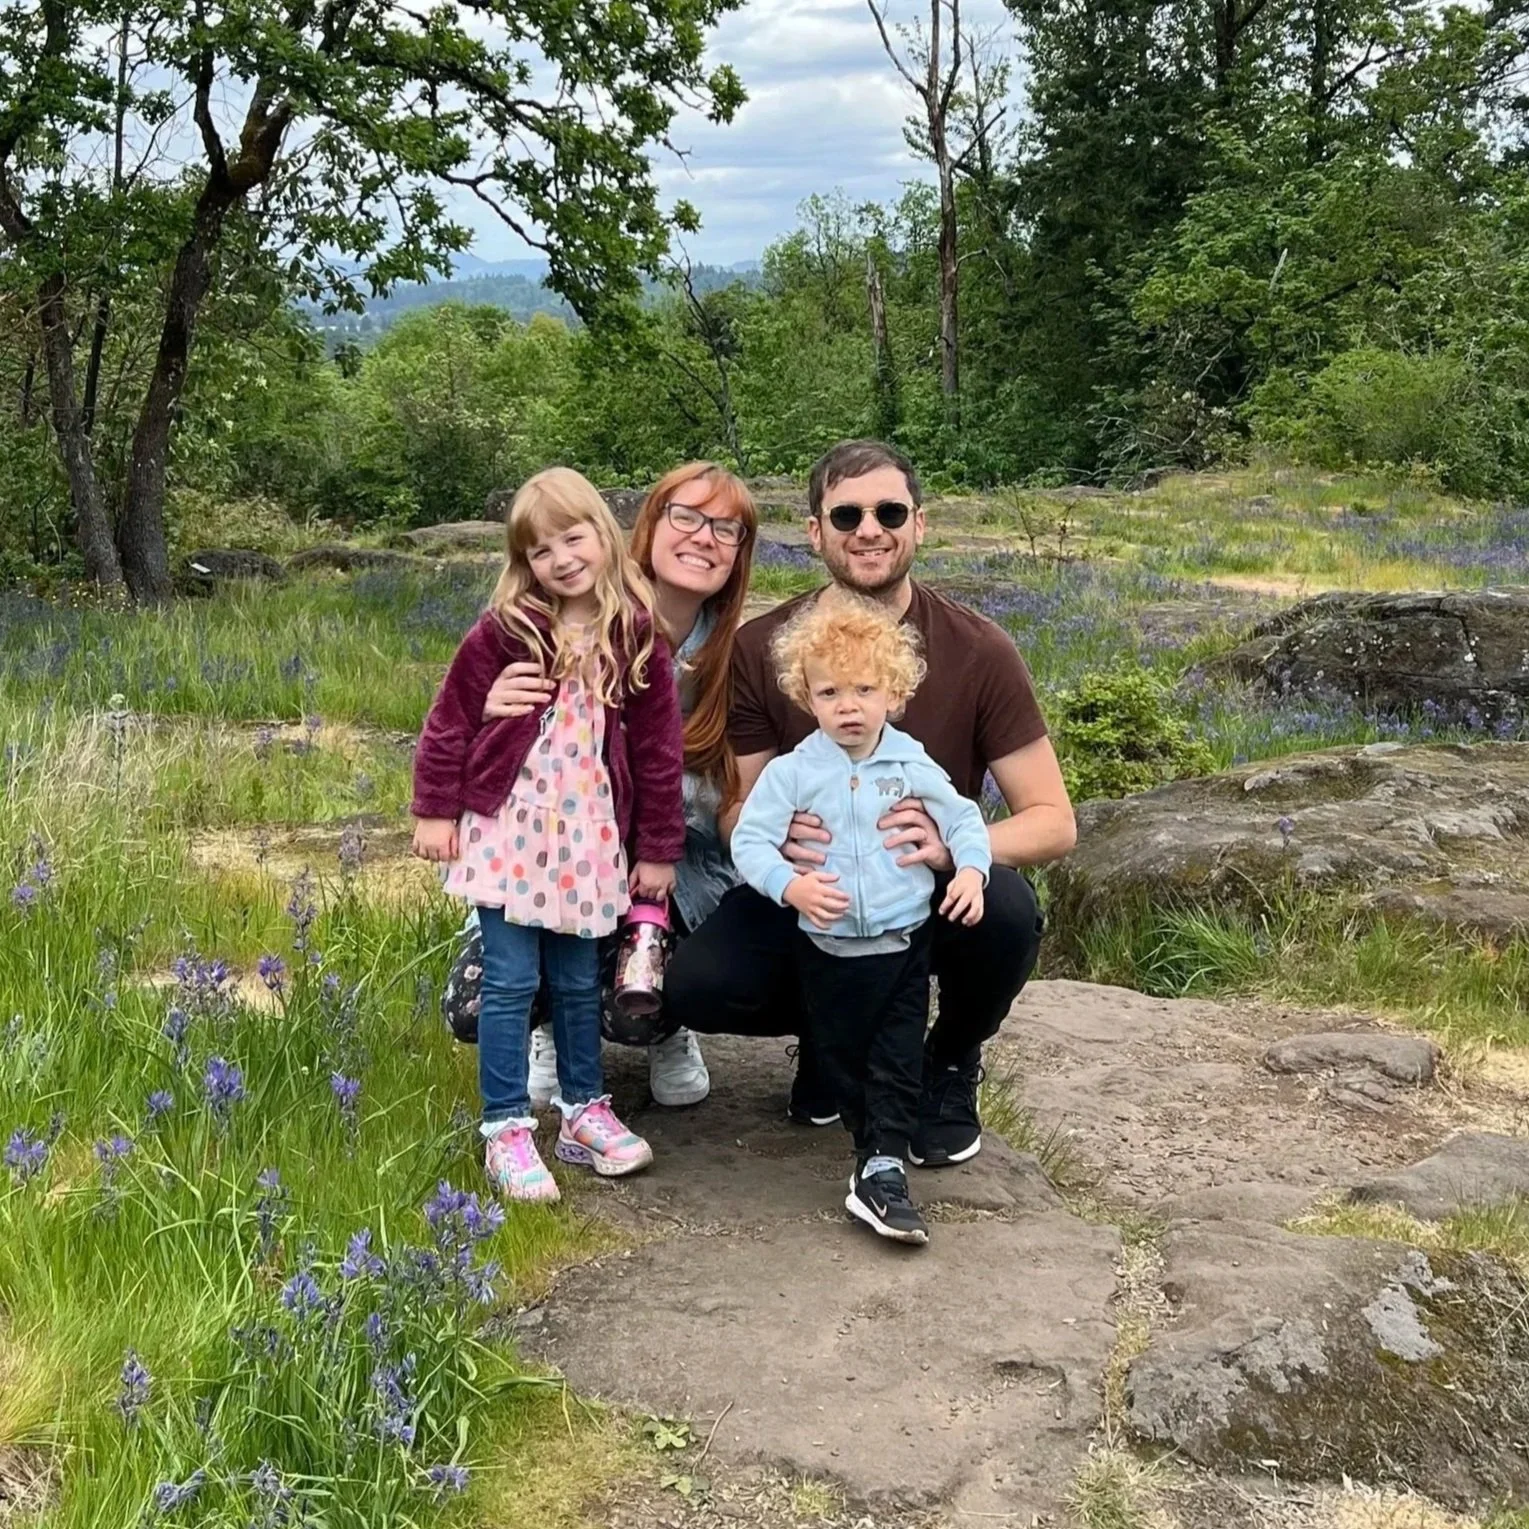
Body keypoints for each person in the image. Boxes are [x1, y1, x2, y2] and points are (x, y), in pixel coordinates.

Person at [665, 439, 1077, 1167]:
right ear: (815, 531)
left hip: (925, 890)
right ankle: (834, 1043)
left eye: (888, 511)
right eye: (846, 514)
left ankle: (947, 1060)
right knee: (701, 983)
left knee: (1006, 911)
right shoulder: (764, 648)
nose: (869, 528)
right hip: (815, 892)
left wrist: (957, 848)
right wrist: (776, 848)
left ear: (919, 523)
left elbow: (1052, 819)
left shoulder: (980, 651)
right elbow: (738, 806)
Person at [411, 467, 685, 1202]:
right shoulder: (502, 631)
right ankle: (505, 1125)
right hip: (508, 831)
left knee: (572, 981)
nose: (562, 558)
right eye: (541, 550)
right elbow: (448, 719)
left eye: (574, 537)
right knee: (508, 981)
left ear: (604, 533)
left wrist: (658, 848)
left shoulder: (636, 635)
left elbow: (659, 754)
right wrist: (435, 810)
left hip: (591, 840)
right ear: (522, 563)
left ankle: (582, 1111)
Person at [458, 462, 758, 1107]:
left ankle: (663, 1030)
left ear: (741, 551)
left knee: (639, 992)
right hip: (554, 842)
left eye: (726, 529)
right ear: (645, 527)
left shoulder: (744, 653)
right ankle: (543, 1030)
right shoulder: (556, 621)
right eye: (686, 517)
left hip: (675, 859)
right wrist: (489, 707)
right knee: (480, 999)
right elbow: (461, 720)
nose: (703, 537)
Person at [731, 598, 991, 1245]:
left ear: (894, 693)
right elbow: (750, 843)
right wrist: (788, 884)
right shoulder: (793, 773)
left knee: (896, 1056)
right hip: (825, 947)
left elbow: (961, 817)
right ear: (805, 697)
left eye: (864, 689)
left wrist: (968, 869)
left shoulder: (908, 764)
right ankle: (843, 1101)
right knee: (845, 1057)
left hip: (903, 942)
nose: (848, 704)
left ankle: (880, 1167)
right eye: (829, 691)